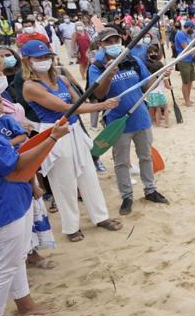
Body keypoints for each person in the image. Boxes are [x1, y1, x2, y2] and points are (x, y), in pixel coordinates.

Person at [0, 66, 70, 316]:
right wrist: (51, 138)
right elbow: (13, 166)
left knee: (18, 257)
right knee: (4, 265)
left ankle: (24, 304)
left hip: (13, 200)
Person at [21, 40, 122, 242]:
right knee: (64, 181)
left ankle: (100, 217)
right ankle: (71, 226)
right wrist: (102, 105)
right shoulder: (30, 86)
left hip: (75, 130)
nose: (44, 61)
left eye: (46, 57)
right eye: (38, 58)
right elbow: (64, 107)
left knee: (88, 175)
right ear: (28, 61)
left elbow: (79, 101)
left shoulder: (62, 79)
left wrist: (97, 102)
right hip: (55, 132)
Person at [89, 28, 170, 215]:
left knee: (146, 156)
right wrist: (109, 74)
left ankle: (150, 190)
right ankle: (127, 196)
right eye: (108, 42)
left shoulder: (133, 60)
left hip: (140, 117)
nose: (113, 44)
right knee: (121, 162)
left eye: (116, 39)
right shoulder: (97, 66)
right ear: (101, 44)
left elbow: (145, 85)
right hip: (117, 120)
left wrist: (159, 78)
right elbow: (99, 94)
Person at [146, 45, 170, 128]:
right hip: (159, 92)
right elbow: (167, 84)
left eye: (155, 52)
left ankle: (155, 122)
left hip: (151, 92)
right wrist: (170, 86)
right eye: (151, 52)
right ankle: (164, 123)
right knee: (163, 108)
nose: (153, 54)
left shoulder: (151, 73)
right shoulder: (163, 75)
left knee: (154, 107)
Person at [174, 20, 195, 107]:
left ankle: (188, 99)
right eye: (192, 28)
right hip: (183, 60)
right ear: (189, 27)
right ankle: (186, 101)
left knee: (190, 81)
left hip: (190, 60)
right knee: (185, 82)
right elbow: (186, 48)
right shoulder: (180, 34)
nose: (193, 30)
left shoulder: (187, 35)